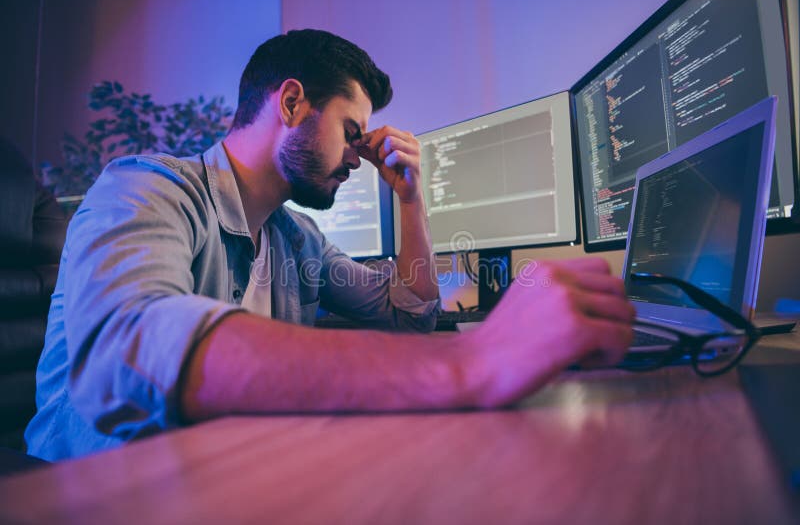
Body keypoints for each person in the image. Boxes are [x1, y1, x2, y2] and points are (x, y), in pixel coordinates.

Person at [25, 29, 635, 461]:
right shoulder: (146, 188)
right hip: (93, 486)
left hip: (222, 471)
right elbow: (126, 348)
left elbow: (409, 314)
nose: (358, 157)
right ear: (291, 102)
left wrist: (410, 199)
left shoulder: (296, 241)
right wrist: (474, 365)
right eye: (351, 131)